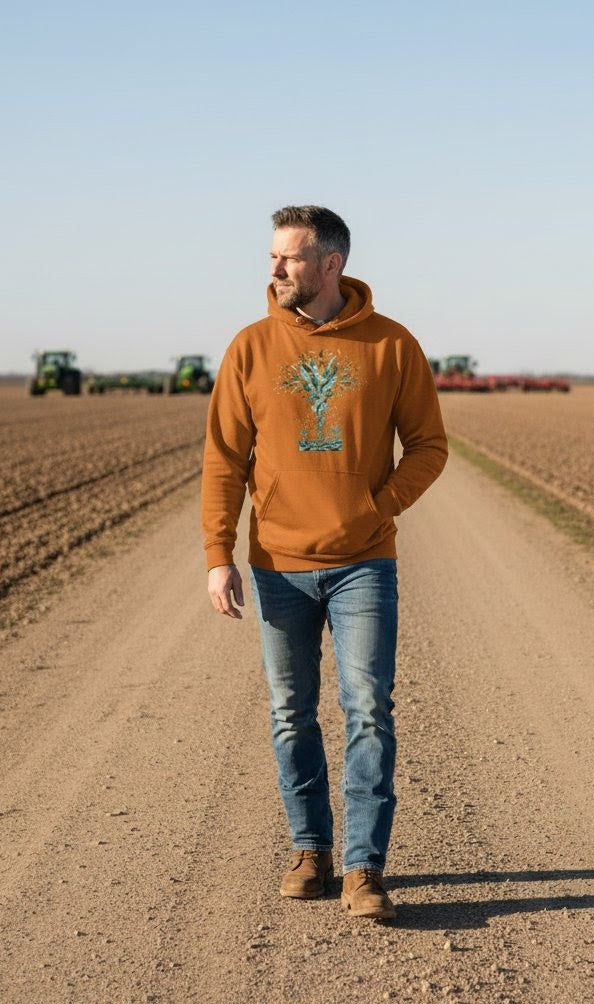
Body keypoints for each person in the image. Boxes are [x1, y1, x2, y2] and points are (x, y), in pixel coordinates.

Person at [201, 205, 447, 920]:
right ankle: (311, 851)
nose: (274, 269)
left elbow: (429, 446)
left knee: (368, 711)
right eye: (272, 256)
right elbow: (223, 460)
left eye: (290, 257)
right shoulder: (250, 347)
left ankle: (365, 869)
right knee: (290, 713)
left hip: (364, 563)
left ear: (331, 264)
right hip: (278, 564)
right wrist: (220, 554)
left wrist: (378, 507)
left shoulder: (392, 346)